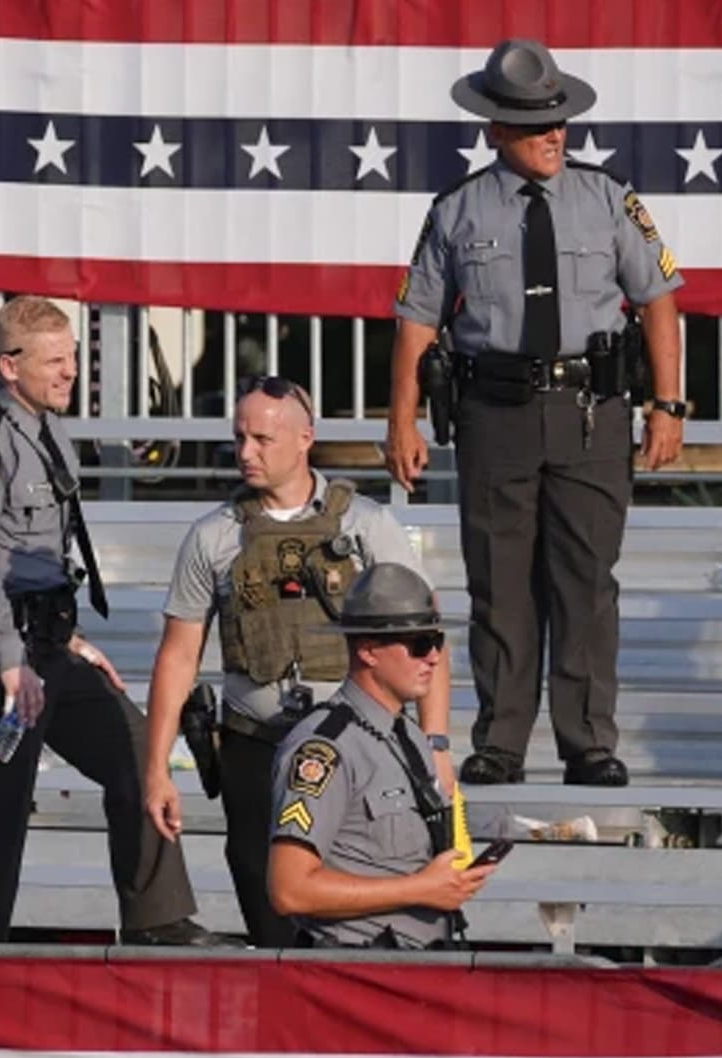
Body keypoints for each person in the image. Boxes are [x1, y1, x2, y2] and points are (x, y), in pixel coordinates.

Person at [386, 36, 688, 789]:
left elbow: (658, 300)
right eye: (532, 124)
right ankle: (502, 743)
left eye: (559, 121)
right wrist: (402, 418)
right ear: (494, 130)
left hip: (593, 410)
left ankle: (589, 742)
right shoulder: (456, 210)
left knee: (585, 581)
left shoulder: (608, 198)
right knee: (501, 583)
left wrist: (669, 403)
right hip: (496, 413)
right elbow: (417, 318)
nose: (553, 136)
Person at [0, 295, 222, 945]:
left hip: (48, 643)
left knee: (138, 750)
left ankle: (158, 919)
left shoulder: (49, 428)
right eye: (53, 360)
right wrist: (8, 662)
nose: (69, 372)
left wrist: (69, 638)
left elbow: (41, 561)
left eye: (74, 358)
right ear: (8, 365)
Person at [144, 377, 455, 949]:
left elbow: (427, 636)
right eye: (240, 437)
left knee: (358, 918)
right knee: (270, 919)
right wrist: (157, 766)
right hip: (254, 743)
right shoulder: (213, 537)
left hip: (356, 750)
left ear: (305, 438)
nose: (245, 453)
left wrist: (436, 746)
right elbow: (179, 654)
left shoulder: (366, 525)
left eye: (262, 438)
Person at [267, 564, 497, 948]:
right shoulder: (324, 750)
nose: (435, 658)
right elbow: (290, 890)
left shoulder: (408, 736)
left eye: (438, 642)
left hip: (417, 966)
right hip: (355, 974)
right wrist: (418, 889)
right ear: (370, 651)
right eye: (420, 644)